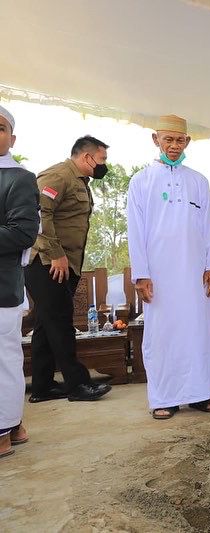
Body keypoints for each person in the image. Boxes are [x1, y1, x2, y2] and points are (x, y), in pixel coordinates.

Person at [127, 114, 210, 419]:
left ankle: (200, 392)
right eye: (168, 139)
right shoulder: (141, 181)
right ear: (155, 140)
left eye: (179, 140)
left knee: (200, 330)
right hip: (159, 275)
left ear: (188, 142)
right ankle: (164, 397)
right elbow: (136, 230)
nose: (173, 145)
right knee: (163, 333)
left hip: (196, 272)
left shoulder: (198, 180)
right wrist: (141, 274)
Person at [25, 135, 112, 402]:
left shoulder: (80, 181)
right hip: (47, 263)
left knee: (45, 324)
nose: (104, 165)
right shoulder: (59, 175)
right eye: (102, 159)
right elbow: (38, 214)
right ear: (87, 157)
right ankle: (78, 385)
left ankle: (42, 387)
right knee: (61, 322)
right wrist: (56, 254)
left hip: (67, 264)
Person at [0, 105, 38, 457]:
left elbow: (22, 233)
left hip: (2, 286)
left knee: (3, 358)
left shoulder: (19, 178)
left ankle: (3, 428)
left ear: (12, 137)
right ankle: (14, 423)